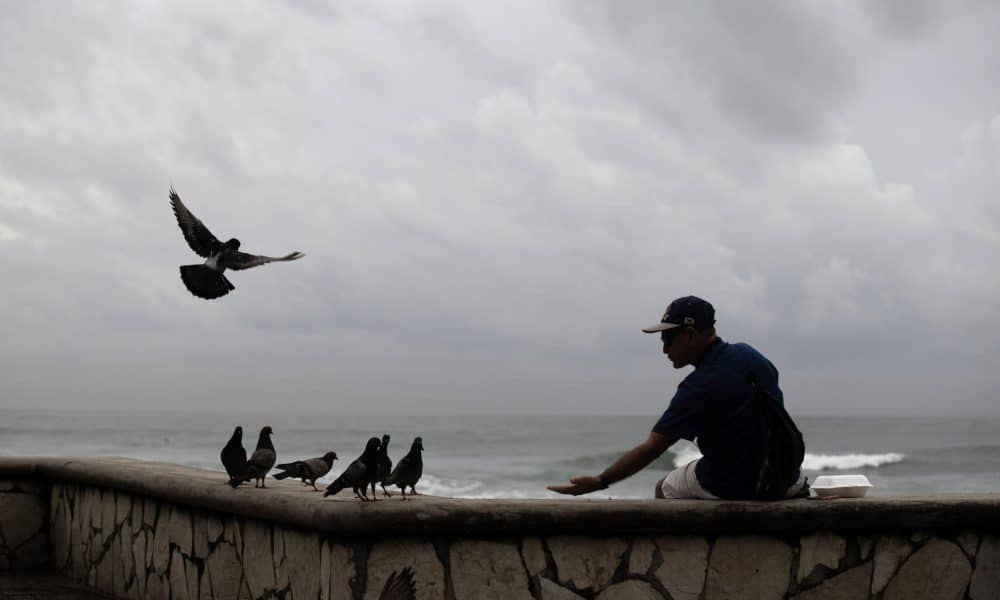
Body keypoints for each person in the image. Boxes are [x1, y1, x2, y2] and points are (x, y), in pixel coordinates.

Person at [548, 296, 806, 500]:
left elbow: (652, 448)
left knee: (664, 487)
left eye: (667, 339)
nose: (663, 349)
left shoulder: (698, 386)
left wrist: (601, 481)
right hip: (783, 478)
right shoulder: (752, 356)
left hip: (735, 485)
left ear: (690, 336)